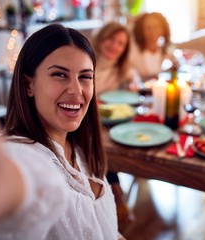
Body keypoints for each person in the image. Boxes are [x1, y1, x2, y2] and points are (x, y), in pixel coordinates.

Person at [0, 24, 124, 239]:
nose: (76, 90)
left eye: (85, 76)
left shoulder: (80, 147)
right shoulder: (23, 152)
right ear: (28, 85)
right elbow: (22, 179)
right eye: (60, 74)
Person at [92, 21, 136, 226]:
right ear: (102, 37)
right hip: (83, 120)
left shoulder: (120, 68)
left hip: (104, 121)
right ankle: (117, 197)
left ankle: (115, 198)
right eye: (111, 39)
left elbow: (134, 80)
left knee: (115, 141)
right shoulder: (86, 61)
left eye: (120, 44)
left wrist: (134, 84)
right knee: (102, 145)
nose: (114, 47)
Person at [129, 12, 172, 80]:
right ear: (141, 30)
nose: (152, 32)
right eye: (148, 28)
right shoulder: (132, 53)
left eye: (156, 27)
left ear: (164, 29)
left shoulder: (167, 52)